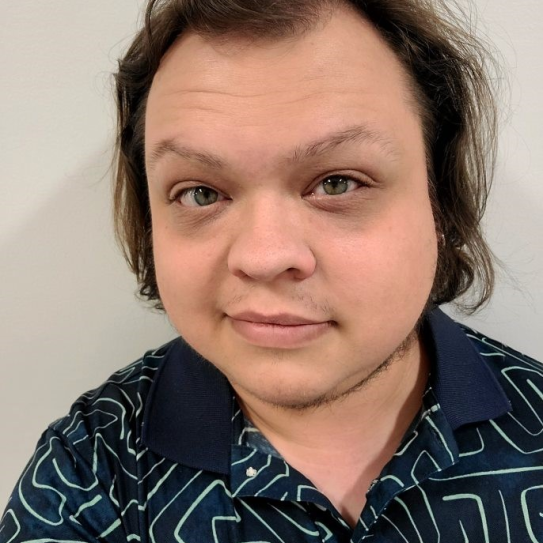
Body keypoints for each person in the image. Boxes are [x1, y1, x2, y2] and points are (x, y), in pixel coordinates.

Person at [1, 0, 541, 541]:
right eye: (201, 193)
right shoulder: (86, 478)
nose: (262, 257)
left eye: (338, 183)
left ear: (440, 204)